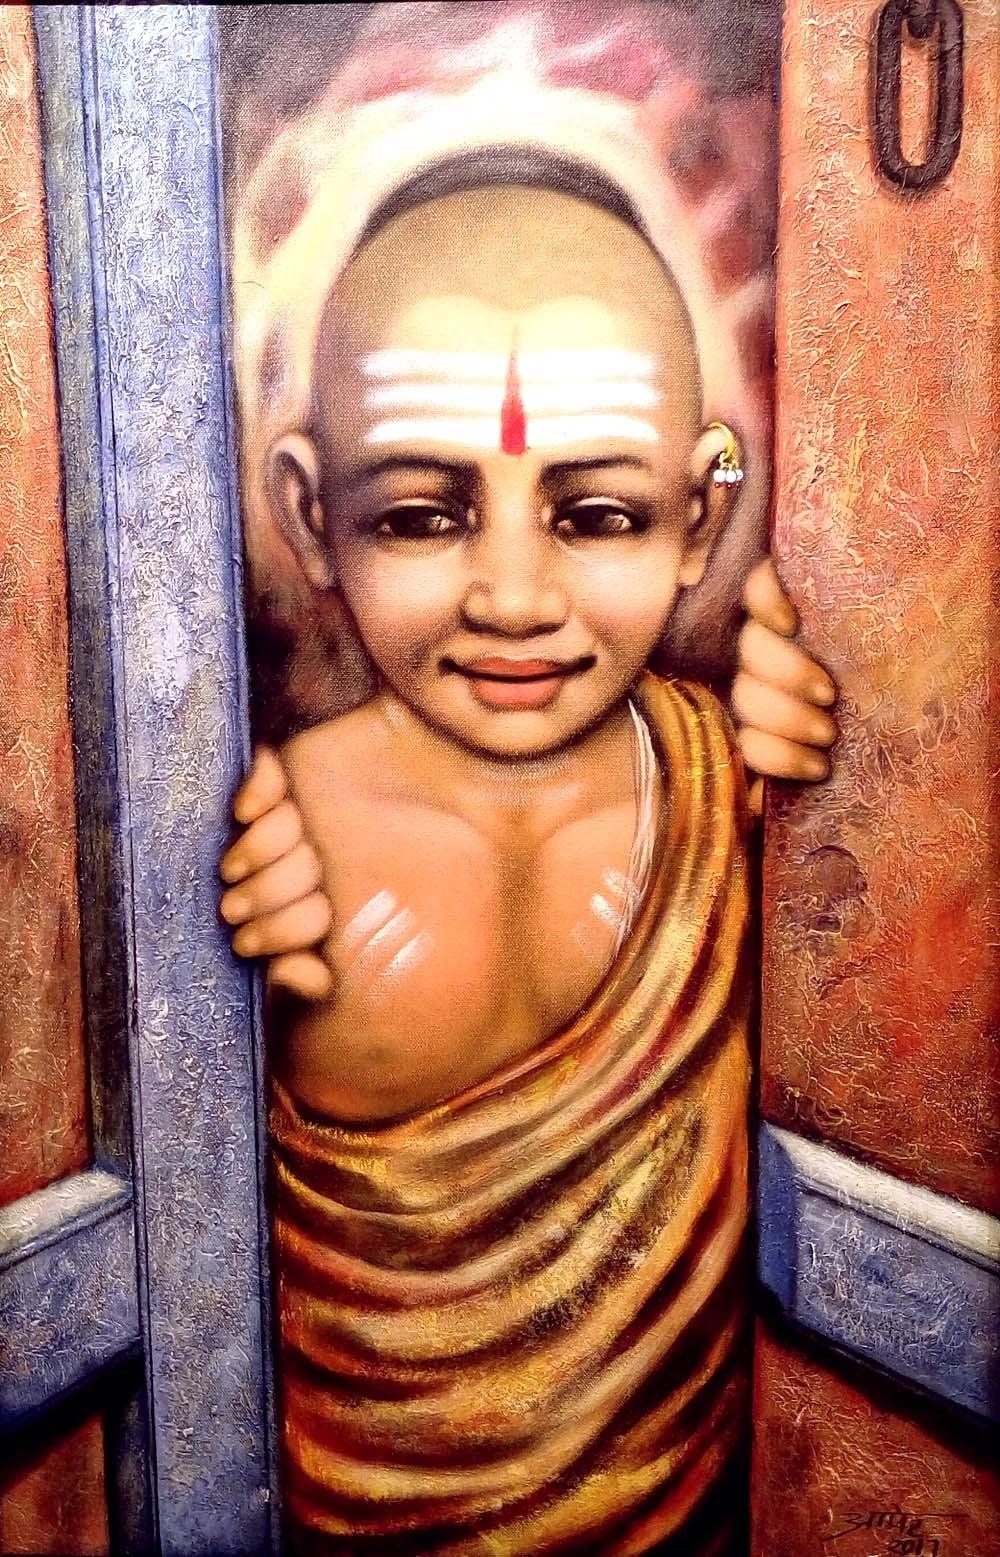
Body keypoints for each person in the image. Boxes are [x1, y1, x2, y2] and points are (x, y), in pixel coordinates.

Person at [221, 166, 836, 1554]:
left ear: (700, 513)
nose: (512, 598)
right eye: (421, 516)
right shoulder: (262, 828)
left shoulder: (727, 790)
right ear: (312, 516)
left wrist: (851, 772)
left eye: (598, 515)